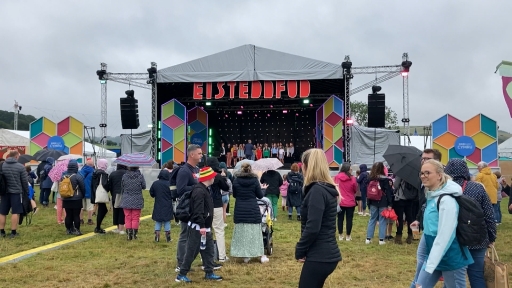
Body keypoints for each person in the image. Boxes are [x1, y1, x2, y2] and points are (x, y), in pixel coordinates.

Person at [410, 159, 473, 288]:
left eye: (427, 172)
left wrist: (430, 265)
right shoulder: (432, 196)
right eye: (422, 173)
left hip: (450, 257)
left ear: (439, 175)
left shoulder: (446, 200)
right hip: (434, 255)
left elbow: (445, 236)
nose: (423, 176)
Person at [444, 158, 497, 287]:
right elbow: (489, 215)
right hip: (477, 238)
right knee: (477, 274)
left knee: (451, 276)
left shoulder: (444, 188)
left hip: (452, 239)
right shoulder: (478, 188)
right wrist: (491, 237)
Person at [295, 149, 341, 288]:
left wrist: (300, 249)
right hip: (325, 253)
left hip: (321, 255)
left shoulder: (317, 191)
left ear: (306, 166)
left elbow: (313, 227)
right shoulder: (323, 189)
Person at [176, 167, 223, 283]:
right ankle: (181, 275)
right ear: (208, 178)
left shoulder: (204, 189)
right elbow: (198, 211)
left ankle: (209, 272)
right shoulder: (199, 191)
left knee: (208, 250)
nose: (214, 178)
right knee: (191, 252)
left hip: (203, 227)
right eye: (213, 176)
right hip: (198, 227)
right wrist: (202, 226)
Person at [231, 163, 269, 264]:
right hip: (252, 209)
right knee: (255, 233)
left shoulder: (236, 180)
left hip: (240, 209)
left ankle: (245, 255)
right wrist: (263, 189)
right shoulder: (254, 180)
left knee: (242, 233)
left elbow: (234, 195)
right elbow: (260, 196)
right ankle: (259, 253)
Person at [175, 144, 202, 272]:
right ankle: (181, 262)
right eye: (199, 153)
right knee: (185, 234)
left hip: (195, 206)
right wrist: (197, 188)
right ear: (192, 155)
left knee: (193, 235)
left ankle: (187, 261)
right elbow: (180, 190)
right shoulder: (184, 170)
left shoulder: (196, 169)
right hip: (186, 207)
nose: (202, 155)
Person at [206, 157, 230, 262]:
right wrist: (224, 177)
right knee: (219, 230)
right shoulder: (218, 176)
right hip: (216, 204)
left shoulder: (202, 175)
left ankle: (206, 257)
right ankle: (221, 256)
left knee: (206, 231)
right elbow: (226, 188)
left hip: (204, 205)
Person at [0, 151, 29, 238]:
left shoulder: (2, 165)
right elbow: (24, 181)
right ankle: (13, 232)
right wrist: (26, 192)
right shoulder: (20, 167)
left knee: (2, 212)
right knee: (15, 212)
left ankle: (1, 231)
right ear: (16, 156)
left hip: (4, 192)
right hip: (16, 192)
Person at [365, 162, 394, 245]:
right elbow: (388, 193)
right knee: (382, 220)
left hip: (372, 201)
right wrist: (390, 204)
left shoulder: (370, 179)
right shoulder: (386, 180)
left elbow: (368, 192)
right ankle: (381, 239)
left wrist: (368, 203)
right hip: (383, 202)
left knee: (372, 219)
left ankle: (368, 238)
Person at [119, 166, 146, 240]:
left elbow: (122, 187)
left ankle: (128, 235)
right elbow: (144, 186)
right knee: (135, 217)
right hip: (137, 199)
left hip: (126, 199)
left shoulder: (124, 176)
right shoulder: (140, 176)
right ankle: (134, 234)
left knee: (127, 217)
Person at [61, 160, 86, 236]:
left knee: (68, 215)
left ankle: (69, 230)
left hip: (66, 198)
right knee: (76, 215)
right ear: (76, 167)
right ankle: (77, 230)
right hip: (76, 198)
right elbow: (82, 187)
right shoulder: (78, 176)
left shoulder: (63, 176)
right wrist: (82, 195)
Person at [334, 162, 357, 241]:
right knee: (349, 219)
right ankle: (348, 236)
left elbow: (335, 188)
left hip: (340, 201)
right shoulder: (353, 178)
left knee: (340, 219)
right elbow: (355, 189)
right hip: (350, 201)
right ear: (348, 169)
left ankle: (340, 235)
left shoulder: (337, 177)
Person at [150, 169, 173, 242]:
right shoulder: (170, 184)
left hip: (158, 204)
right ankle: (168, 237)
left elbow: (152, 193)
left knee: (158, 221)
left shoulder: (155, 183)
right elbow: (173, 194)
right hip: (168, 205)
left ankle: (157, 235)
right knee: (167, 221)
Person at [392, 176, 416, 244]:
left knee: (400, 218)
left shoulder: (401, 174)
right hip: (410, 198)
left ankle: (398, 237)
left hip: (401, 198)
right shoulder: (414, 175)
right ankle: (410, 236)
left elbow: (396, 185)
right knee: (410, 218)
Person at [91, 159, 109, 234]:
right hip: (101, 193)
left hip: (95, 193)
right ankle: (98, 227)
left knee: (103, 209)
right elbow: (105, 184)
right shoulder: (103, 173)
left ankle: (98, 227)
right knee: (103, 210)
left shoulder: (95, 172)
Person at [108, 164, 127, 234]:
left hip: (114, 194)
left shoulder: (112, 174)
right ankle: (121, 229)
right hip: (124, 194)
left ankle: (117, 227)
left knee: (116, 211)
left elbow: (109, 185)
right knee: (122, 211)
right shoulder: (126, 173)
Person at [79, 159, 95, 225]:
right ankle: (89, 220)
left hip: (81, 191)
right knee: (90, 207)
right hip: (89, 191)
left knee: (81, 207)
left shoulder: (80, 171)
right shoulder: (93, 172)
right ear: (92, 165)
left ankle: (81, 220)